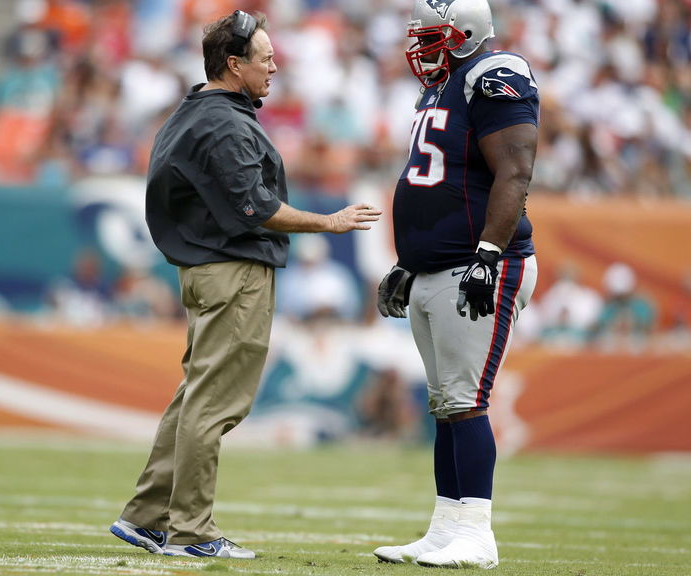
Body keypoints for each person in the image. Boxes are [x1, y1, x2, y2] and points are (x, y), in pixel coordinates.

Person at [108, 10, 381, 560]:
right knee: (214, 404)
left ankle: (146, 515)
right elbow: (256, 206)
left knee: (196, 398)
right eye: (264, 57)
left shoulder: (198, 110)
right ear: (234, 65)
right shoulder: (225, 123)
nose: (275, 65)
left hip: (210, 269)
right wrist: (328, 222)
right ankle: (190, 531)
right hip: (232, 271)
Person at [374, 0, 539, 569]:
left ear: (466, 33)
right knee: (446, 405)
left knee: (467, 402)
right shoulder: (443, 86)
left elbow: (515, 171)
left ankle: (476, 531)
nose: (422, 45)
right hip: (436, 266)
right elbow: (439, 179)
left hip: (477, 264)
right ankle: (445, 527)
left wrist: (488, 256)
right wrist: (410, 259)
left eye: (434, 34)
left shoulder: (496, 74)